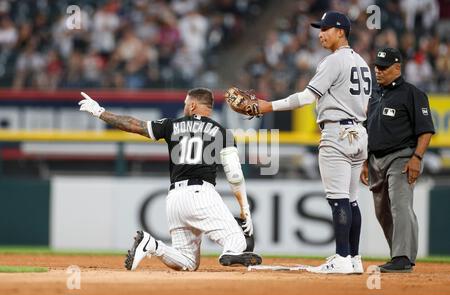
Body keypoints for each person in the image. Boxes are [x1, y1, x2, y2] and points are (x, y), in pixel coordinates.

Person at [77, 88, 262, 271]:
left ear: (193, 105)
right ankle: (230, 252)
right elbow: (235, 175)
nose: (184, 107)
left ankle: (151, 245)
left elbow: (133, 124)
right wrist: (244, 208)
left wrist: (99, 112)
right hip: (201, 194)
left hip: (175, 199)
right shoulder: (223, 133)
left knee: (188, 262)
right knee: (237, 239)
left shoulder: (172, 125)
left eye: (185, 104)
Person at [249, 11, 371, 274]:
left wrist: (268, 106)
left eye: (326, 28)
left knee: (339, 200)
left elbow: (306, 98)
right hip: (359, 132)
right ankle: (354, 259)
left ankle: (341, 258)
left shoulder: (333, 61)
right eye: (320, 28)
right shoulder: (362, 62)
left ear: (341, 32)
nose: (320, 33)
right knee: (351, 201)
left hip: (337, 133)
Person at [360, 48, 435, 273]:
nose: (378, 71)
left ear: (397, 67)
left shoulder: (413, 94)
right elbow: (368, 129)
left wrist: (417, 158)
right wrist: (364, 161)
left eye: (384, 67)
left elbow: (426, 131)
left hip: (401, 156)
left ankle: (403, 258)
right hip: (375, 160)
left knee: (400, 204)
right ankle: (398, 256)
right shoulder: (374, 95)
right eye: (377, 66)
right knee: (382, 212)